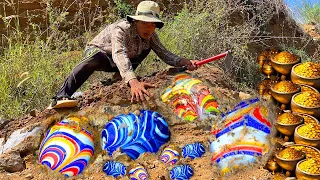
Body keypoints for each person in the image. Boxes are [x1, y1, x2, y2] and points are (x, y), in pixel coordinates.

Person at [50, 0, 199, 108]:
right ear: (136, 21)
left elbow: (164, 52)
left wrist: (183, 62)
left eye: (153, 24)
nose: (149, 27)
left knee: (147, 46)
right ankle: (61, 96)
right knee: (93, 57)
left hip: (123, 62)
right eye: (145, 23)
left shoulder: (150, 35)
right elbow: (119, 53)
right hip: (103, 54)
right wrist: (133, 81)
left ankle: (118, 77)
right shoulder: (121, 29)